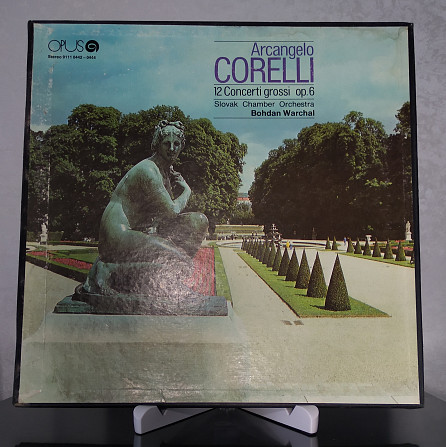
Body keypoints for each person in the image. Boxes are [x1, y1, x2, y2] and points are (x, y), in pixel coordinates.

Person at [98, 120, 208, 265]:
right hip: (117, 235)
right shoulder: (149, 170)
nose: (172, 148)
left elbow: (163, 216)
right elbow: (172, 211)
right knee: (177, 257)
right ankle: (109, 269)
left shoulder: (165, 172)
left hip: (137, 232)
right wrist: (187, 190)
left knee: (199, 221)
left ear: (182, 146)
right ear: (158, 144)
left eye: (176, 144)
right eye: (166, 143)